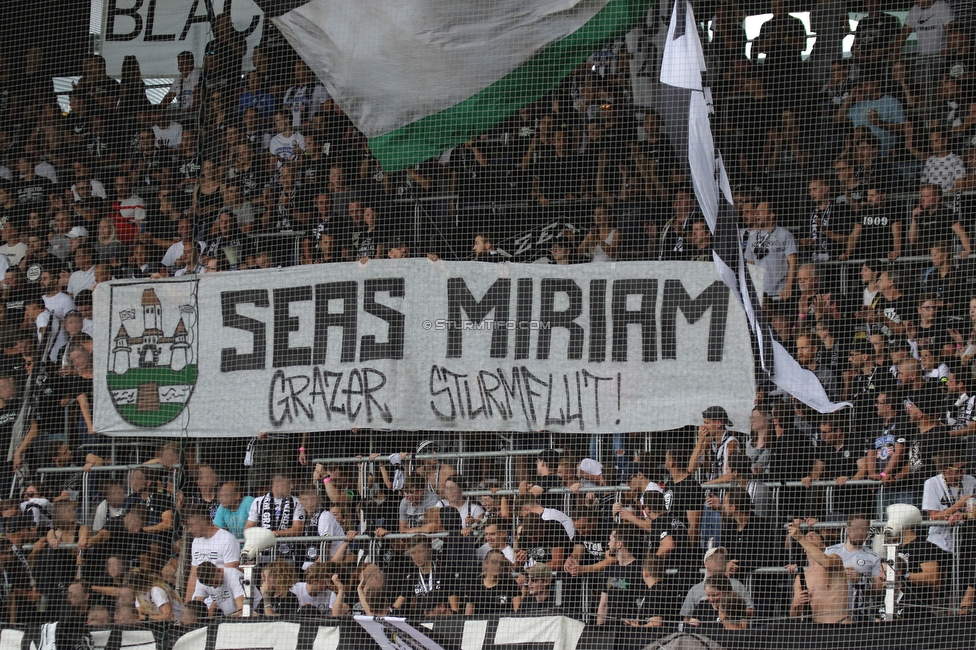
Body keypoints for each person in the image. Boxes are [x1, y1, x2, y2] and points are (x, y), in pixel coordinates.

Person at [787, 520, 850, 624]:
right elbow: (794, 616)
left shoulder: (835, 559)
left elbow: (826, 563)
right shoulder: (801, 577)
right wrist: (796, 604)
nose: (810, 535)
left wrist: (801, 538)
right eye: (807, 535)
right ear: (805, 549)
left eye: (814, 535)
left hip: (840, 624)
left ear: (823, 545)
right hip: (817, 630)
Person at [824, 514, 883, 622]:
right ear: (847, 529)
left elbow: (878, 589)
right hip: (832, 613)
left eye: (864, 529)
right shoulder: (830, 552)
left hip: (859, 616)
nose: (860, 532)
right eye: (856, 528)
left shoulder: (873, 557)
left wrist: (861, 579)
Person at [392, 534, 460, 617]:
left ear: (429, 550)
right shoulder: (412, 578)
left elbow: (455, 610)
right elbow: (396, 606)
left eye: (420, 551)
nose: (417, 557)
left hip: (442, 622)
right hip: (421, 624)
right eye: (413, 553)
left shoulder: (444, 573)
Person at [184, 503, 241, 603]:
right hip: (200, 599)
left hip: (224, 600)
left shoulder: (227, 539)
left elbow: (231, 576)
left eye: (190, 525)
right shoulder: (196, 541)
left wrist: (213, 607)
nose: (189, 530)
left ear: (201, 521)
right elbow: (193, 575)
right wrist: (187, 603)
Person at [743, 200, 797, 301]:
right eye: (756, 211)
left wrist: (788, 286)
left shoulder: (785, 235)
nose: (757, 213)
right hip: (759, 292)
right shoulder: (752, 238)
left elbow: (793, 263)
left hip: (780, 292)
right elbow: (749, 266)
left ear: (771, 215)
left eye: (761, 211)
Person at [464, 548, 521, 616]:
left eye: (501, 563)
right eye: (494, 562)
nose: (498, 566)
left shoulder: (510, 583)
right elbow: (468, 615)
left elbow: (518, 613)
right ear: (486, 563)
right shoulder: (474, 585)